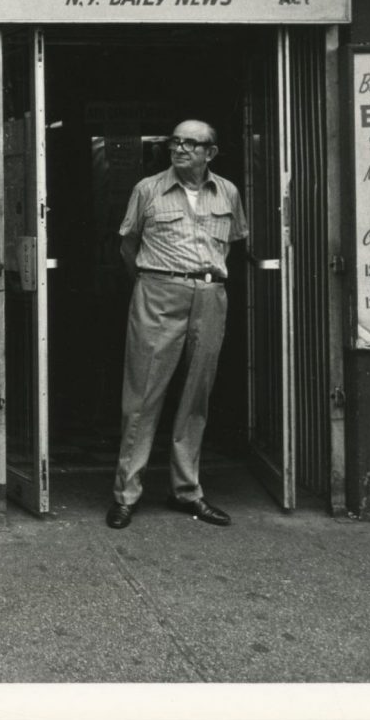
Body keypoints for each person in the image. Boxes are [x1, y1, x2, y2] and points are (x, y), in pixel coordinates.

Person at [105, 119, 248, 530]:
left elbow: (233, 242)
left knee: (196, 395)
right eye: (175, 143)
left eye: (191, 144)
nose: (181, 149)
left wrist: (204, 283)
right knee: (142, 395)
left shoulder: (228, 192)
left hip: (210, 296)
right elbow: (127, 243)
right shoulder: (147, 189)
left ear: (210, 152)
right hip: (158, 293)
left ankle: (187, 491)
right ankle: (126, 494)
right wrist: (153, 284)